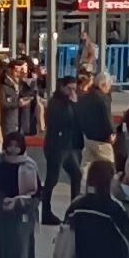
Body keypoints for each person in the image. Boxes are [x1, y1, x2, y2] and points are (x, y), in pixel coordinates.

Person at [39, 74, 82, 221]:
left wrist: (75, 104)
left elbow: (78, 120)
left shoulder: (72, 101)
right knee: (53, 178)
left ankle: (73, 210)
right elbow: (60, 121)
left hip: (69, 146)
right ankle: (45, 211)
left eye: (74, 89)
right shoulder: (56, 102)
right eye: (69, 89)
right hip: (56, 146)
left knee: (76, 175)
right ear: (62, 87)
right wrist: (73, 104)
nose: (72, 92)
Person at [76, 71, 117, 171]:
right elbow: (106, 117)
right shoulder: (103, 98)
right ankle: (108, 185)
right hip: (102, 139)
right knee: (109, 166)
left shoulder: (85, 97)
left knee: (86, 165)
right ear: (103, 84)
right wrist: (112, 133)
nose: (109, 88)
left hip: (89, 137)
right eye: (109, 85)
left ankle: (81, 184)